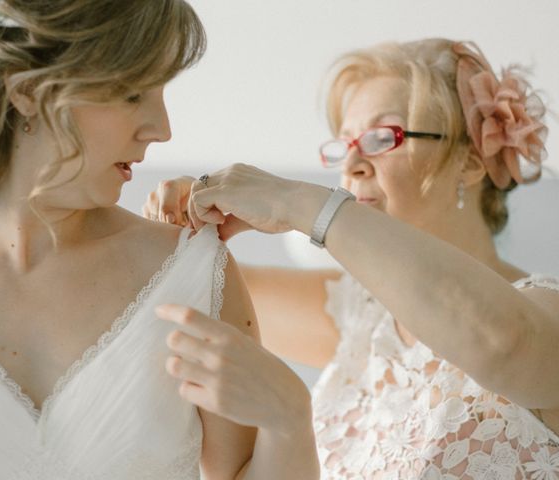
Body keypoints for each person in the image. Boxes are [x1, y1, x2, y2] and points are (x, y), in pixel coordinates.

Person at [0, 1, 319, 478]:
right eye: (132, 94)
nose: (162, 129)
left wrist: (292, 422)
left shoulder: (192, 271)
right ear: (27, 93)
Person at [145, 38, 559, 479]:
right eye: (345, 146)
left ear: (472, 160)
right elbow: (193, 285)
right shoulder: (357, 316)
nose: (353, 166)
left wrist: (294, 201)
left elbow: (500, 344)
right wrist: (183, 225)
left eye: (383, 137)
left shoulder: (543, 314)